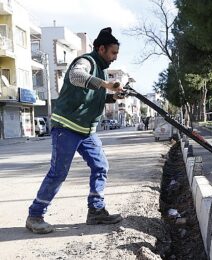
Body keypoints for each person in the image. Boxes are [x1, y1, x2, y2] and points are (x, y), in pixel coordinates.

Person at [26, 27, 125, 234]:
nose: (115, 57)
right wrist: (106, 84)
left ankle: (96, 211)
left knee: (101, 166)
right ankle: (35, 215)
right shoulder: (86, 62)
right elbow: (76, 76)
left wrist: (112, 97)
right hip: (67, 126)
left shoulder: (102, 69)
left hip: (87, 131)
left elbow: (92, 96)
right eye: (113, 53)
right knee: (59, 173)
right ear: (101, 49)